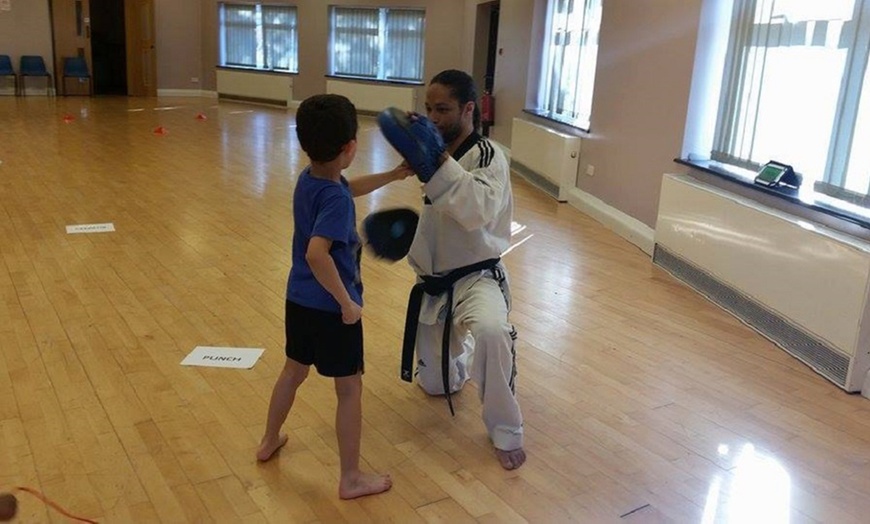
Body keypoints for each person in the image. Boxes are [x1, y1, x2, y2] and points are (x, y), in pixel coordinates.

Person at [256, 94, 411, 499]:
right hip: (332, 310)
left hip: (299, 300)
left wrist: (393, 176)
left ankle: (269, 439)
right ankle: (350, 478)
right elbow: (317, 252)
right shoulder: (335, 199)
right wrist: (347, 303)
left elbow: (347, 188)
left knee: (293, 371)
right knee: (349, 389)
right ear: (349, 147)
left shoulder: (311, 179)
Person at [403, 70, 525, 470]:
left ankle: (506, 429)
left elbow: (475, 212)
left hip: (477, 278)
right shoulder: (430, 152)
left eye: (443, 109)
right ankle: (463, 349)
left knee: (493, 331)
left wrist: (436, 161)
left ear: (469, 109)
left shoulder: (489, 156)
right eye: (428, 109)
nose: (433, 117)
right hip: (435, 283)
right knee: (438, 386)